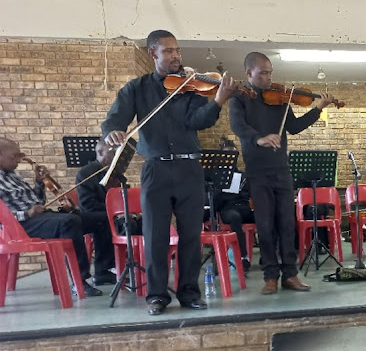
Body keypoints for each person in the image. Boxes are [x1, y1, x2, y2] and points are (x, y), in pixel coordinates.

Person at [101, 29, 235, 315]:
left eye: (177, 51)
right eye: (169, 51)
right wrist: (113, 132)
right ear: (153, 54)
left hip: (189, 167)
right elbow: (115, 120)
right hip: (156, 168)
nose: (176, 56)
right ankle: (157, 296)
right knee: (155, 235)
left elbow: (199, 121)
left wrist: (218, 101)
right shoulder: (136, 88)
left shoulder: (190, 86)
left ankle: (189, 293)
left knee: (190, 235)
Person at [229, 52, 335, 294]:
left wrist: (319, 107)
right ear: (249, 73)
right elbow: (238, 126)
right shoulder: (239, 98)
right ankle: (270, 276)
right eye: (263, 73)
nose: (268, 78)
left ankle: (290, 274)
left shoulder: (281, 100)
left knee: (287, 224)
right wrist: (260, 138)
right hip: (257, 172)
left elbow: (295, 128)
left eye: (270, 72)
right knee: (265, 226)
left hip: (281, 170)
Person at [0, 138, 114, 296]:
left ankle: (103, 270)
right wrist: (26, 213)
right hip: (20, 225)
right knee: (69, 221)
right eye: (14, 157)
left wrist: (39, 183)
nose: (18, 161)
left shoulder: (13, 176)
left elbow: (38, 201)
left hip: (38, 219)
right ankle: (79, 281)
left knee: (102, 218)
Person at [202, 137, 254, 273]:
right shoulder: (215, 177)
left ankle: (268, 256)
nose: (231, 159)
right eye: (227, 156)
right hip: (229, 209)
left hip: (244, 208)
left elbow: (252, 194)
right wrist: (219, 189)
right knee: (235, 217)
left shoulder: (243, 175)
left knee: (267, 216)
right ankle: (243, 257)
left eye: (233, 156)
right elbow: (212, 202)